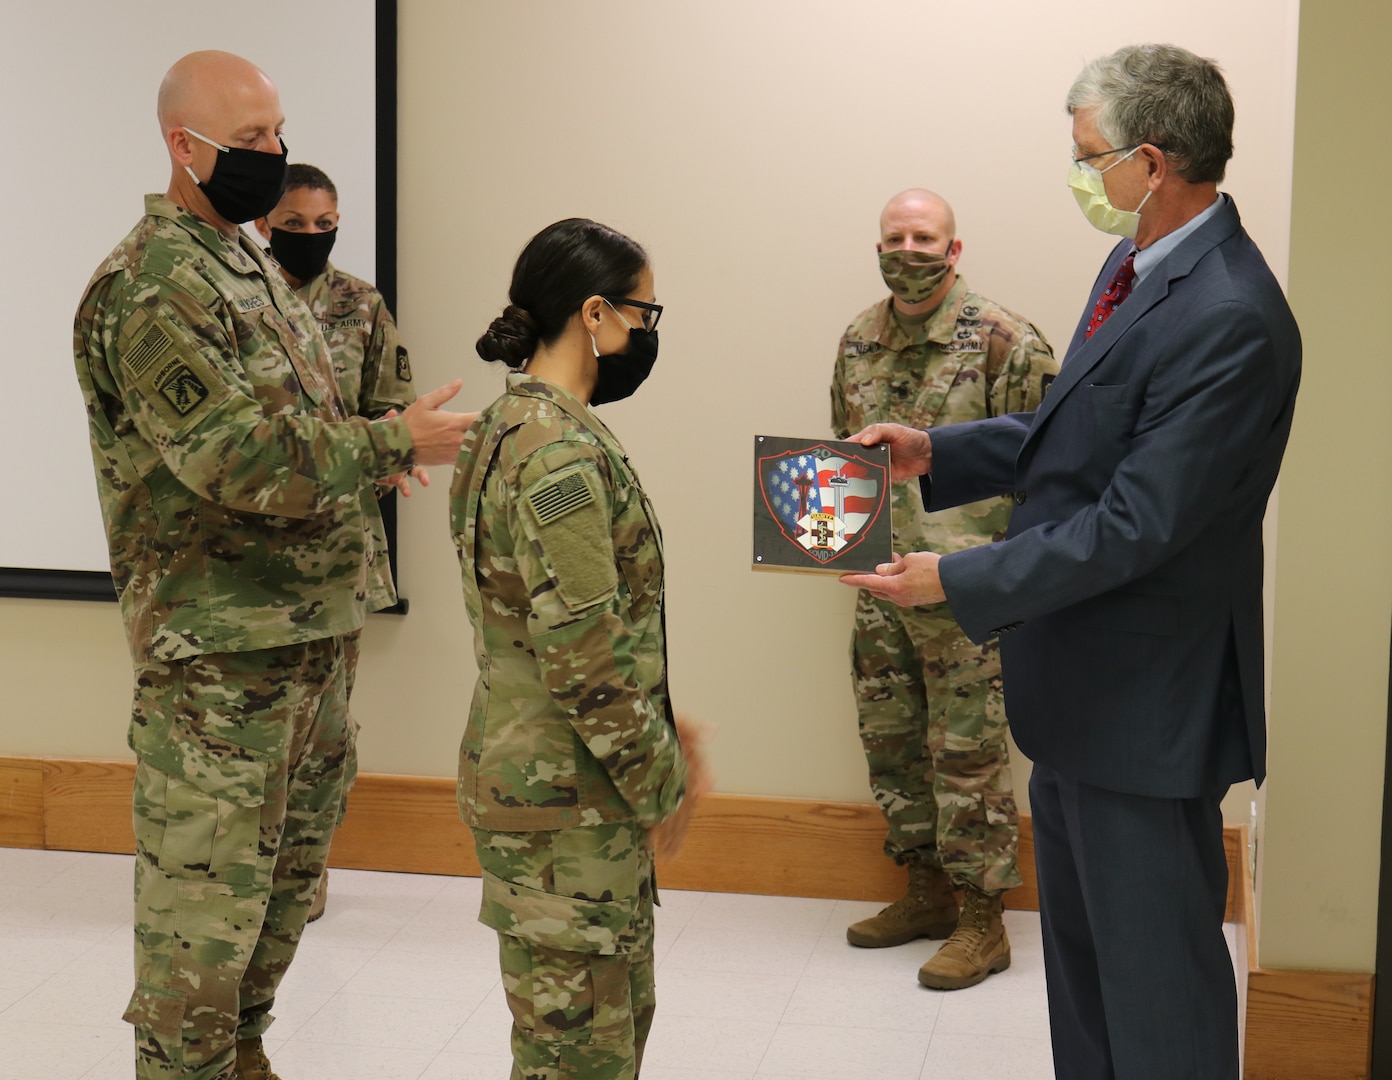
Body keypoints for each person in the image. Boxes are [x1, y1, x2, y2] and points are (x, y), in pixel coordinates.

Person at [841, 44, 1301, 1080]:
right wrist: (932, 452)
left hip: (1147, 701)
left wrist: (955, 581)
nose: (1081, 175)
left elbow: (1138, 521)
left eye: (1089, 157)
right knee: (1087, 979)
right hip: (1080, 687)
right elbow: (1077, 431)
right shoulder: (1140, 260)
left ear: (1153, 158)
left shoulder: (1228, 312)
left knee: (1157, 988)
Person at [72, 50, 471, 1080]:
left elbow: (308, 426)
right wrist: (393, 446)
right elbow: (236, 458)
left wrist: (377, 437)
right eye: (250, 140)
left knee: (287, 882)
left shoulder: (245, 262)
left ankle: (243, 1054)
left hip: (310, 633)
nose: (273, 155)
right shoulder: (152, 285)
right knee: (203, 915)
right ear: (183, 145)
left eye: (277, 132)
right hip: (219, 656)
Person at [451, 218, 710, 1079]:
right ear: (595, 314)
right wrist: (662, 780)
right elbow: (582, 656)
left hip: (555, 790)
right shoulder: (557, 451)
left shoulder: (508, 424)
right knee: (581, 1054)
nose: (647, 335)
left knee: (591, 1036)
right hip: (569, 804)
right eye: (644, 313)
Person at [831, 189, 1057, 990]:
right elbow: (843, 459)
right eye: (894, 236)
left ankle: (981, 918)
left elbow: (1053, 472)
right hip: (879, 585)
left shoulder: (1006, 342)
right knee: (892, 745)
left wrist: (1004, 577)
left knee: (967, 757)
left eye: (924, 237)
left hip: (967, 590)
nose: (908, 249)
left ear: (954, 250)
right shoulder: (858, 339)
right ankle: (922, 891)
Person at [255, 164, 420, 922]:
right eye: (297, 225)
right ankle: (246, 877)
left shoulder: (361, 304)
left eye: (327, 225)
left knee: (326, 733)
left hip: (340, 556)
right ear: (265, 222)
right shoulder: (236, 299)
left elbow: (394, 411)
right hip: (249, 564)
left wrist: (395, 448)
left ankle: (305, 874)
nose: (313, 238)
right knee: (257, 734)